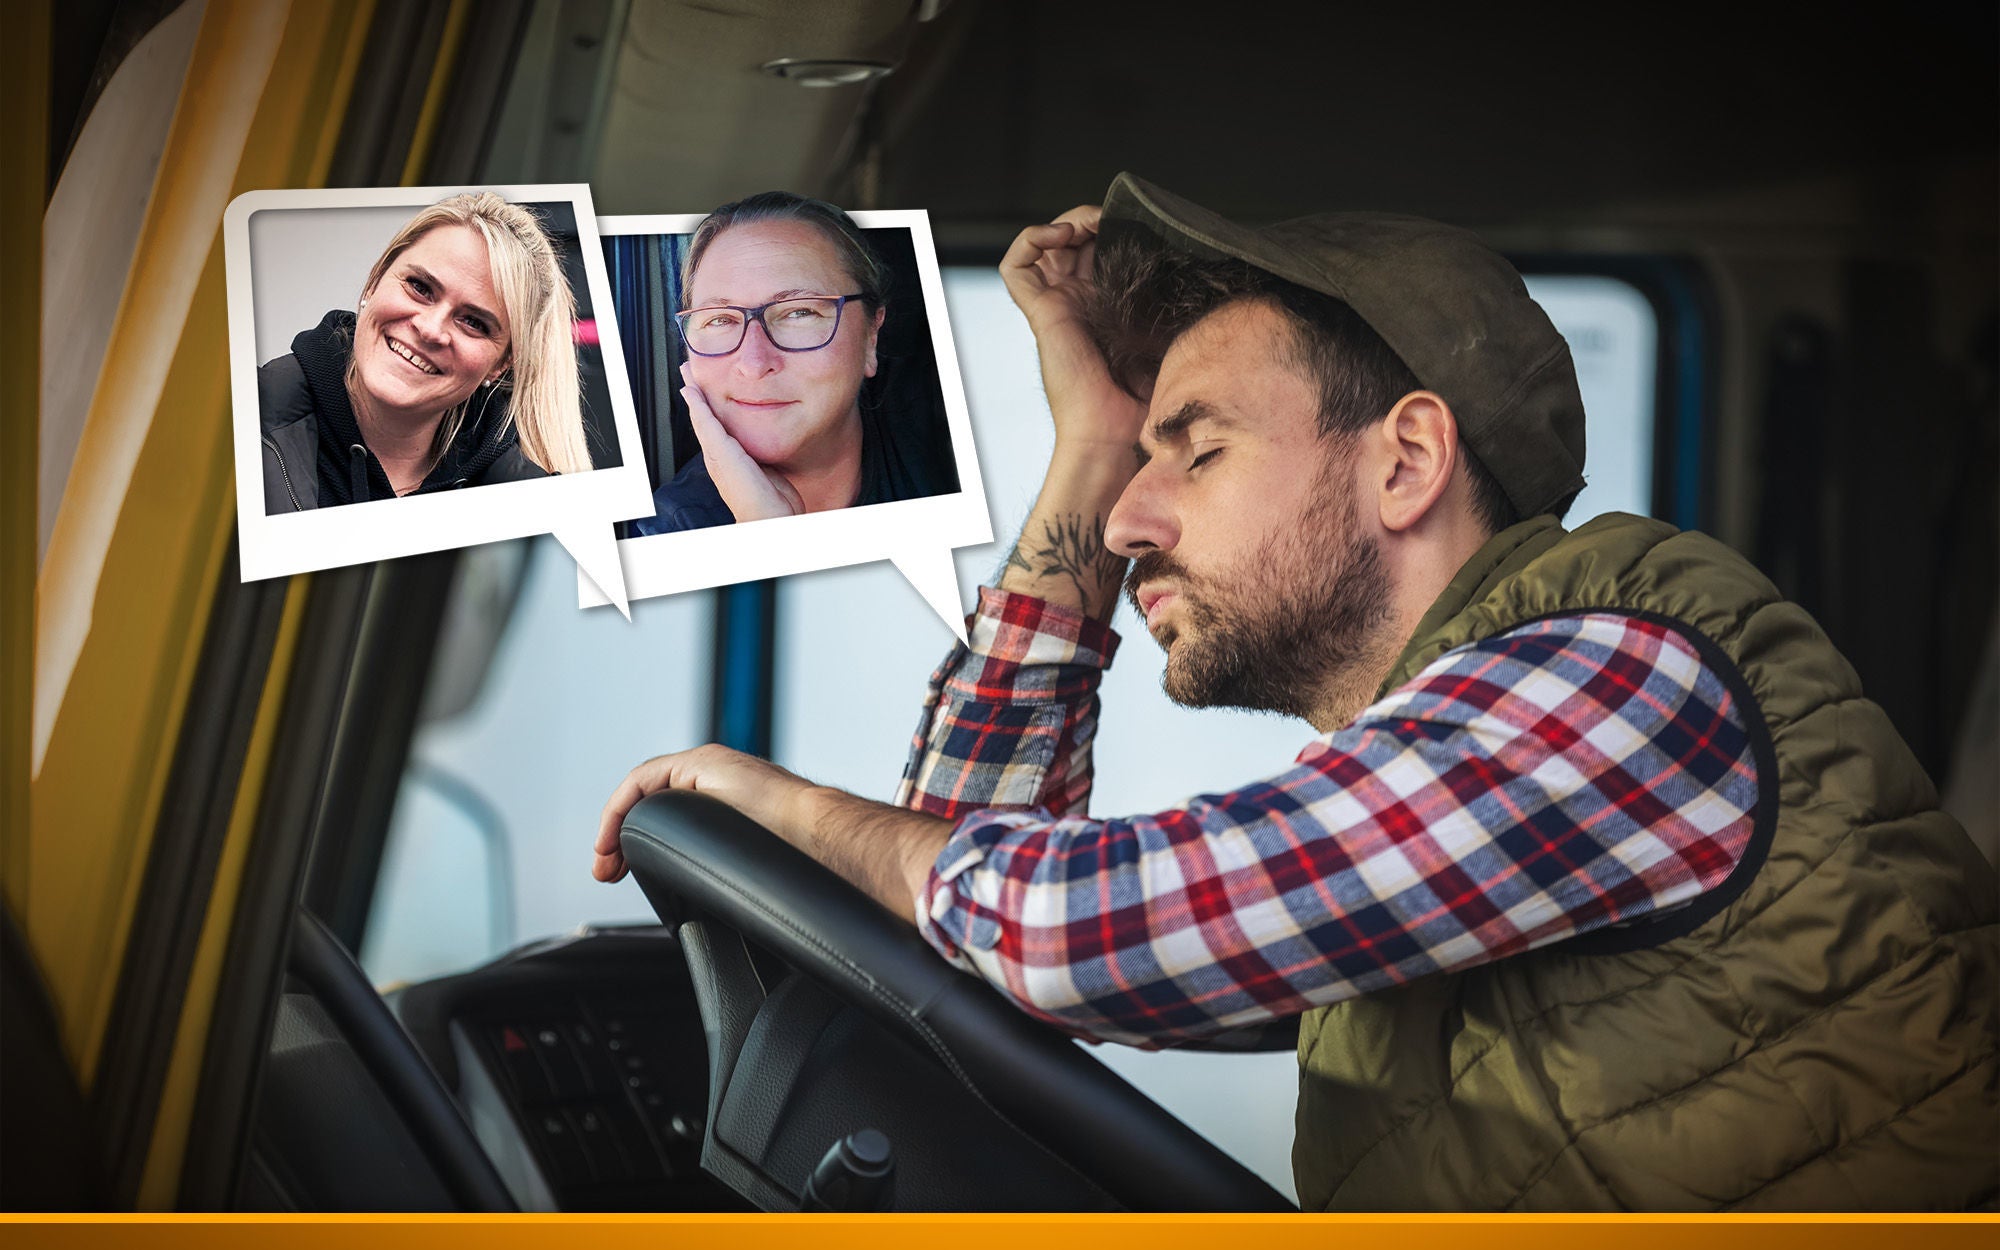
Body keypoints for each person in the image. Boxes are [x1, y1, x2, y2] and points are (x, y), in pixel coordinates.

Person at [592, 173, 1998, 1209]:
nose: (1132, 518)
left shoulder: (1621, 677)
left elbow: (1067, 931)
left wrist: (775, 800)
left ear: (1405, 461)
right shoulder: (1437, 798)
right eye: (1130, 466)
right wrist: (1087, 446)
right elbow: (939, 945)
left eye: (1191, 452)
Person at [627, 192, 953, 534]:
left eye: (800, 313)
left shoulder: (947, 455)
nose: (754, 363)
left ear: (871, 336)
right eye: (720, 319)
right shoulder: (670, 531)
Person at [259, 191, 593, 512]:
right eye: (420, 287)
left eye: (474, 322)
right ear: (375, 281)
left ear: (501, 365)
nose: (430, 329)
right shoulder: (246, 415)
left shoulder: (537, 511)